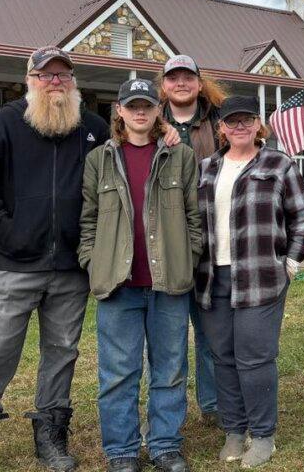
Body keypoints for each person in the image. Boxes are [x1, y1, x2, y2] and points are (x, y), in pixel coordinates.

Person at [0, 47, 110, 472]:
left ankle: (52, 438)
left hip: (70, 269)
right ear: (30, 79)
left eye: (63, 75)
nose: (55, 82)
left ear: (73, 81)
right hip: (15, 264)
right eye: (46, 75)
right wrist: (10, 231)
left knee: (61, 352)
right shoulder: (1, 124)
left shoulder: (92, 129)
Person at [79, 78, 202, 472]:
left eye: (147, 105)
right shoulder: (99, 160)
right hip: (118, 285)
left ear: (157, 111)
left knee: (169, 370)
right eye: (132, 105)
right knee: (118, 374)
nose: (140, 112)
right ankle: (122, 451)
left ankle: (165, 444)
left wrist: (188, 257)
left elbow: (194, 217)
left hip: (168, 284)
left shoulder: (179, 157)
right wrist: (93, 262)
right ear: (119, 110)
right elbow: (88, 222)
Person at [193, 96, 304, 469]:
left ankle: (263, 436)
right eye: (232, 121)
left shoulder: (278, 164)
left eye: (246, 120)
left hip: (261, 277)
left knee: (255, 357)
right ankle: (234, 429)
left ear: (258, 125)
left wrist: (290, 263)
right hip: (212, 277)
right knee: (223, 358)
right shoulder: (206, 168)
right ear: (222, 128)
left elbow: (302, 220)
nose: (239, 126)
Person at [157, 54, 226, 427]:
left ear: (199, 83)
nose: (181, 83)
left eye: (188, 77)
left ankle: (213, 405)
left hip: (212, 241)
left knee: (210, 329)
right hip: (166, 243)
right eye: (173, 77)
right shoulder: (147, 121)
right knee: (168, 337)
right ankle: (170, 412)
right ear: (163, 85)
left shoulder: (220, 122)